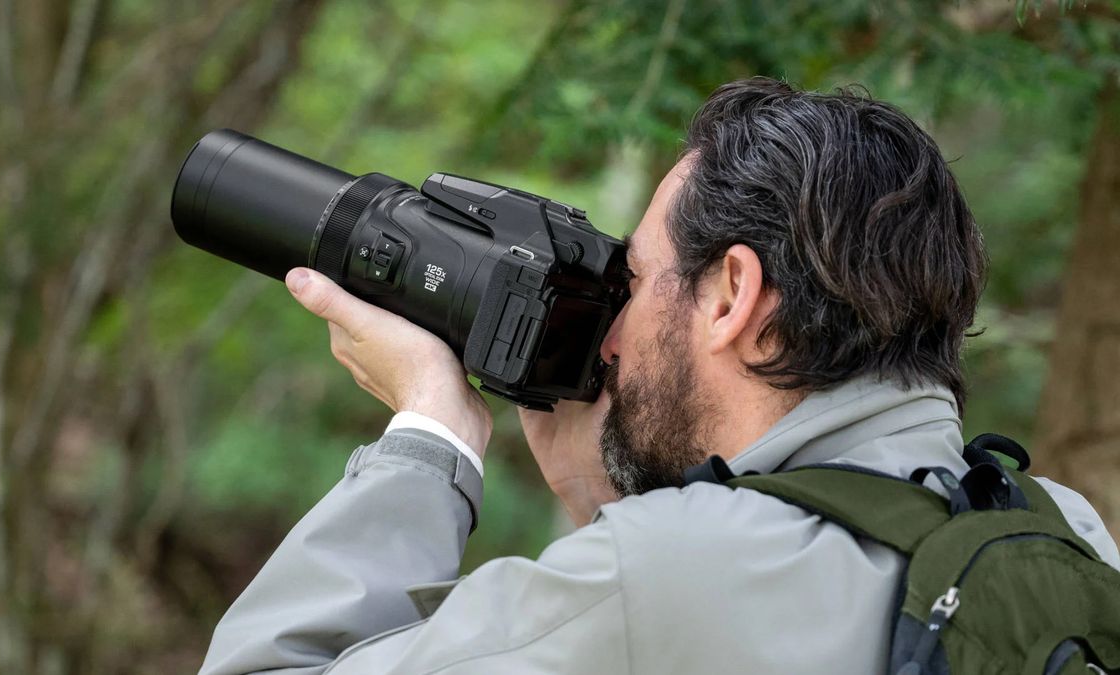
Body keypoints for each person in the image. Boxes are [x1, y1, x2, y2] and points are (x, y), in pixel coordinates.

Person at [198, 78, 1120, 674]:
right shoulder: (1066, 530)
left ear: (732, 295)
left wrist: (430, 436)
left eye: (634, 279)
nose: (613, 329)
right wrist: (596, 493)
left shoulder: (668, 572)